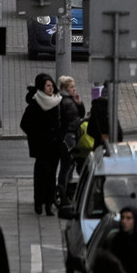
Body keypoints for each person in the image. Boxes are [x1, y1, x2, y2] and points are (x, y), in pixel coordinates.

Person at [20, 73, 64, 215]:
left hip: (55, 145)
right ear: (41, 87)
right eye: (47, 86)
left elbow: (63, 121)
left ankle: (49, 205)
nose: (50, 89)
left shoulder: (57, 101)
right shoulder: (35, 103)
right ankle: (39, 203)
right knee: (41, 175)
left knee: (52, 176)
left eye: (52, 85)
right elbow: (25, 124)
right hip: (42, 147)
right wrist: (37, 136)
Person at [56, 75, 86, 206]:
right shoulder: (64, 101)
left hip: (72, 134)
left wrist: (79, 103)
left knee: (70, 164)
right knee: (68, 163)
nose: (74, 89)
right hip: (68, 135)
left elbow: (80, 114)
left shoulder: (70, 99)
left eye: (73, 86)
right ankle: (64, 189)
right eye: (71, 87)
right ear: (64, 88)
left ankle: (65, 188)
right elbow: (73, 118)